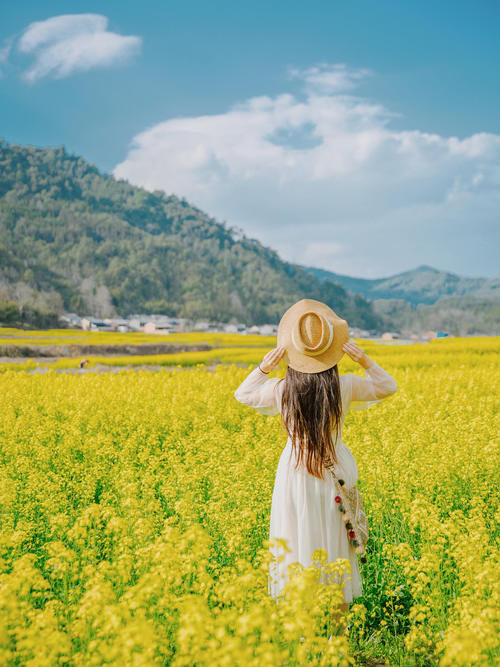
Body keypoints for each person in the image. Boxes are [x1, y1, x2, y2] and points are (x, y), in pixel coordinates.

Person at [234, 298, 398, 637]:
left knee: (296, 545)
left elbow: (243, 394)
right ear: (332, 352)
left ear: (294, 354)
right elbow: (388, 387)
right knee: (336, 548)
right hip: (332, 476)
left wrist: (263, 367)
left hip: (295, 476)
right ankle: (335, 636)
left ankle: (303, 633)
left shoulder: (282, 390)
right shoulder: (345, 387)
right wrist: (363, 359)